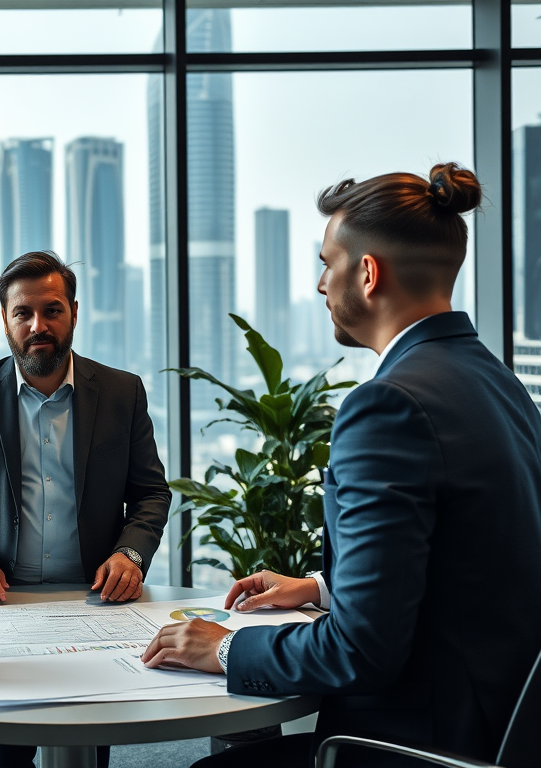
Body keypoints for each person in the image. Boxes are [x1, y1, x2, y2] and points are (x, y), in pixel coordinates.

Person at [142, 163, 541, 767]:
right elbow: (478, 559)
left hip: (415, 743)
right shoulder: (497, 382)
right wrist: (324, 589)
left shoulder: (388, 405)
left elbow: (361, 653)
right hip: (496, 724)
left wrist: (224, 649)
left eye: (327, 263)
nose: (321, 285)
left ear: (368, 272)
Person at [0, 250, 172, 768]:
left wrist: (131, 554)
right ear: (6, 320)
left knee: (87, 746)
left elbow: (151, 492)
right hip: (4, 606)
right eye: (24, 313)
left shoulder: (122, 392)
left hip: (96, 602)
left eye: (53, 310)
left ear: (74, 312)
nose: (39, 326)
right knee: (3, 756)